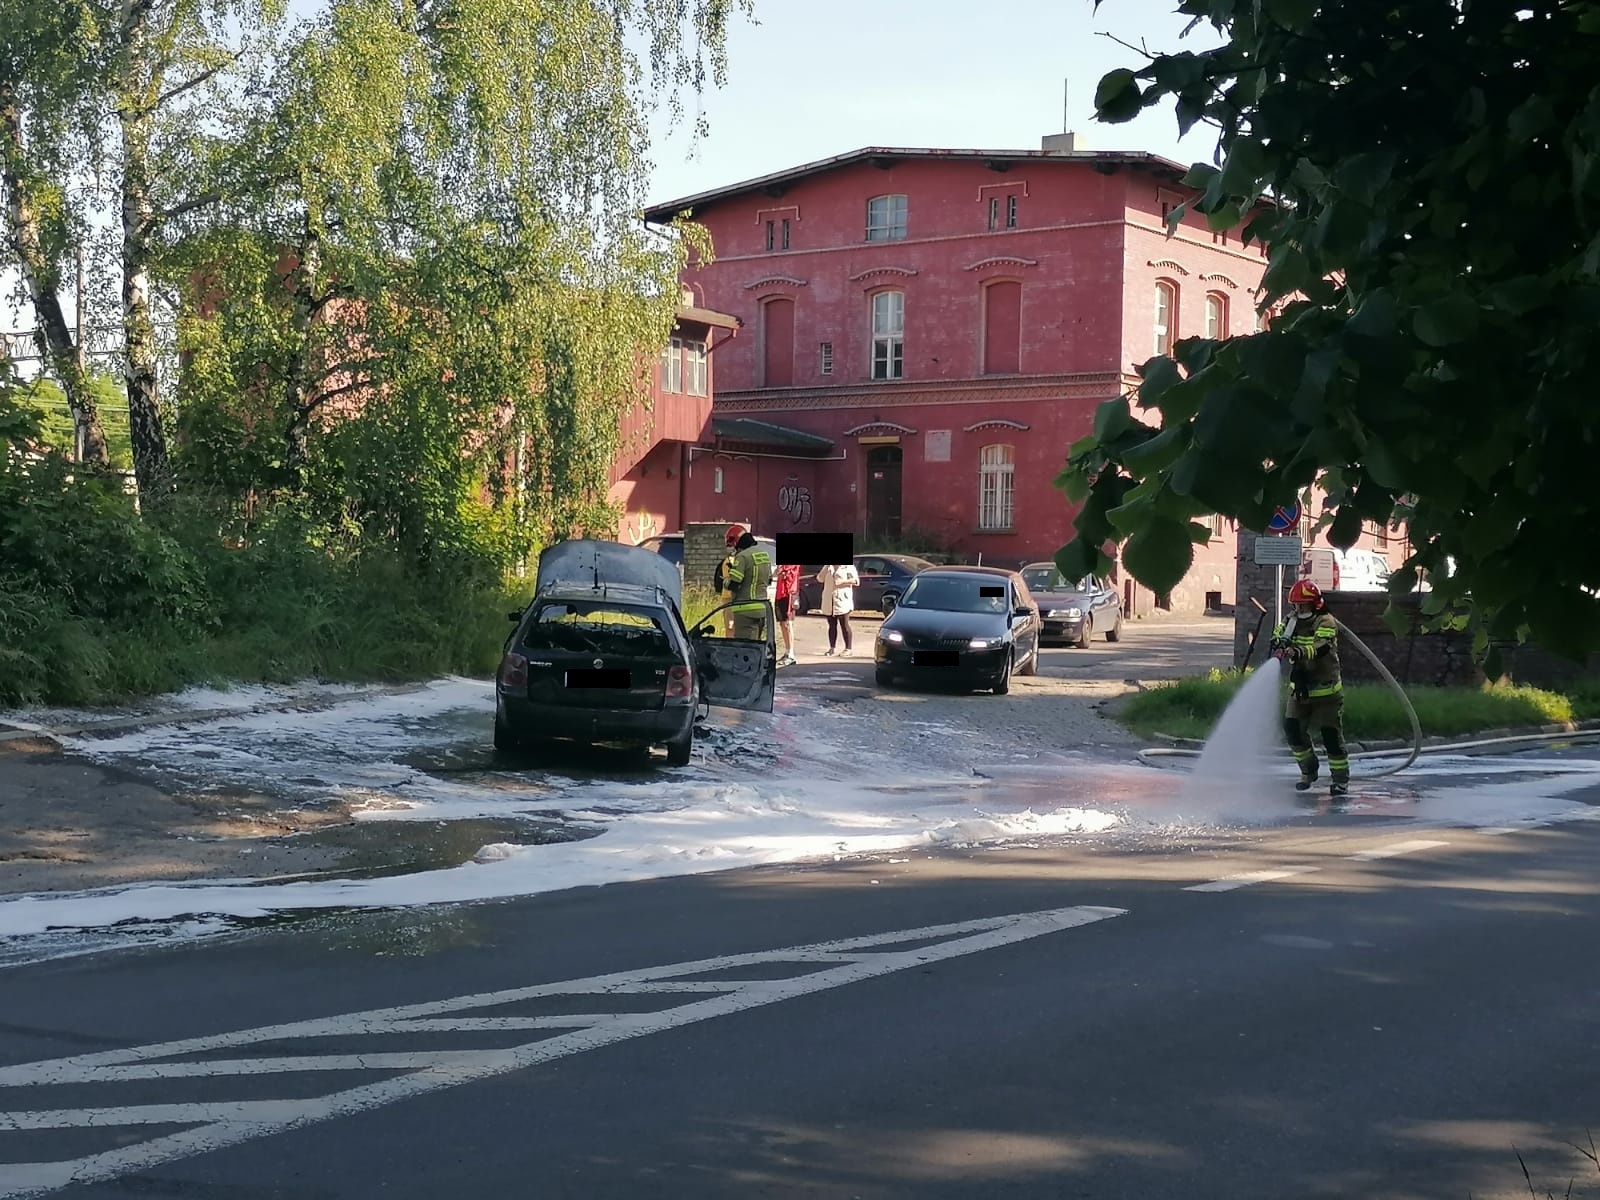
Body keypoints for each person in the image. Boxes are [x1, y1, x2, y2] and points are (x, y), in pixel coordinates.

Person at [1270, 578, 1349, 797]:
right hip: (1300, 691)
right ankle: (1308, 772)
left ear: (1315, 604)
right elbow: (1278, 633)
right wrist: (1279, 642)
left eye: (1302, 605)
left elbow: (1321, 647)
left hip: (1326, 692)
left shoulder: (1326, 622)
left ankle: (1340, 781)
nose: (1298, 609)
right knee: (1293, 729)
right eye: (1295, 605)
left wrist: (1297, 652)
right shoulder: (1290, 620)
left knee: (1330, 735)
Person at [723, 526, 774, 642]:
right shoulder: (764, 555)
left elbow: (734, 583)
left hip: (745, 611)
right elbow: (769, 580)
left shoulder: (742, 557)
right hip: (762, 609)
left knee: (745, 649)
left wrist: (725, 581)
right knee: (757, 647)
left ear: (736, 541)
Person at [816, 561, 860, 656]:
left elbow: (856, 581)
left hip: (842, 600)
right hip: (829, 600)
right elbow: (820, 579)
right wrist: (826, 567)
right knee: (831, 625)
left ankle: (848, 648)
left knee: (844, 624)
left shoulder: (848, 567)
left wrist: (843, 582)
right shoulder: (828, 567)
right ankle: (832, 648)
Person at [774, 562, 801, 667]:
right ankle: (787, 650)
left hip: (789, 593)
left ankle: (791, 654)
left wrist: (780, 572)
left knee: (788, 624)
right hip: (780, 593)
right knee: (782, 623)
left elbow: (782, 573)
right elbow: (776, 573)